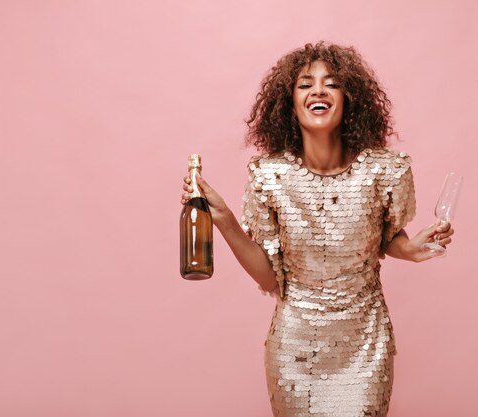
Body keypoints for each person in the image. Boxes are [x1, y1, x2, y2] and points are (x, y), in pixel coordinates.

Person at [181, 42, 455, 417]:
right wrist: (225, 219)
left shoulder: (385, 170)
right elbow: (271, 279)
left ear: (349, 99)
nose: (319, 91)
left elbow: (388, 237)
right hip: (295, 350)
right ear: (290, 104)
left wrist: (408, 250)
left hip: (364, 345)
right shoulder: (269, 176)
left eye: (332, 83)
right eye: (305, 84)